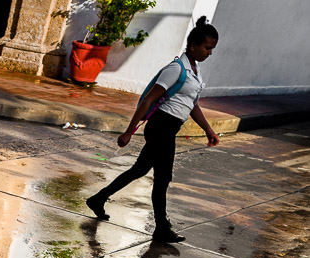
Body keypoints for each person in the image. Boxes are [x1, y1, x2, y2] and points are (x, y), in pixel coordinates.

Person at [86, 17, 220, 243]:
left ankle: (98, 199)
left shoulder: (194, 70)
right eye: (207, 48)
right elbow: (149, 100)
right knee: (162, 177)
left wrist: (208, 129)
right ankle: (161, 227)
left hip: (170, 127)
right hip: (161, 126)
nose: (210, 53)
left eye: (212, 49)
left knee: (140, 170)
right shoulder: (176, 68)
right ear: (194, 45)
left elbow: (191, 105)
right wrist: (129, 131)